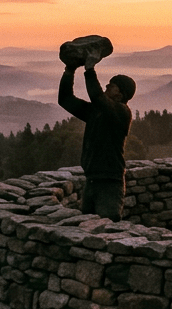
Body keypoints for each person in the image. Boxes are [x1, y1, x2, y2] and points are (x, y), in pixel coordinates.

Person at [58, 51, 136, 221]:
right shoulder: (97, 111)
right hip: (92, 180)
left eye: (111, 86)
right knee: (88, 230)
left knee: (106, 230)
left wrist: (89, 69)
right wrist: (69, 71)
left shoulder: (122, 112)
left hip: (110, 183)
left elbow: (97, 96)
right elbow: (65, 99)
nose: (107, 87)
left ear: (120, 94)